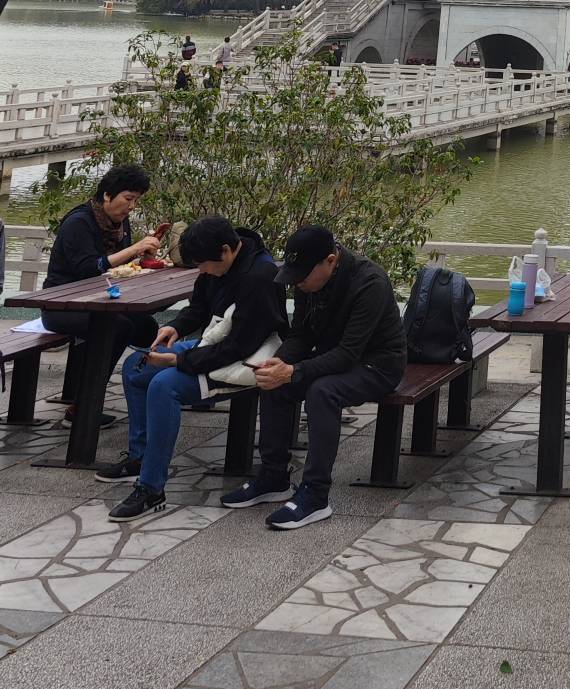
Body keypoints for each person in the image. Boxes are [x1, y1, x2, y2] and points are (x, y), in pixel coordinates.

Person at [97, 216, 286, 520]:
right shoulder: (215, 263)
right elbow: (199, 308)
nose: (202, 271)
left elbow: (240, 346)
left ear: (226, 250)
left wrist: (180, 361)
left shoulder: (259, 277)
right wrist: (175, 328)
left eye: (205, 265)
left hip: (246, 360)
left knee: (164, 385)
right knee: (136, 367)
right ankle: (141, 456)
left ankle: (151, 487)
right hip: (213, 344)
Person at [221, 225, 405, 530]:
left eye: (303, 277)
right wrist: (279, 362)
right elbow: (303, 335)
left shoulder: (369, 281)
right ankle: (273, 476)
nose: (298, 283)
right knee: (274, 381)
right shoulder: (306, 279)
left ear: (330, 261)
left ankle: (316, 495)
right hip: (334, 356)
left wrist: (293, 371)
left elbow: (348, 354)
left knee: (322, 390)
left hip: (378, 365)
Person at [40, 165, 163, 366]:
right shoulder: (79, 222)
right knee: (117, 328)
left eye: (136, 200)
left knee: (146, 326)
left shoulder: (120, 223)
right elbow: (88, 268)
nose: (132, 206)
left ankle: (101, 381)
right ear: (107, 195)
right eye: (128, 199)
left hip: (101, 299)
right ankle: (89, 389)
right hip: (61, 305)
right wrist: (133, 249)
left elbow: (117, 266)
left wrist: (144, 258)